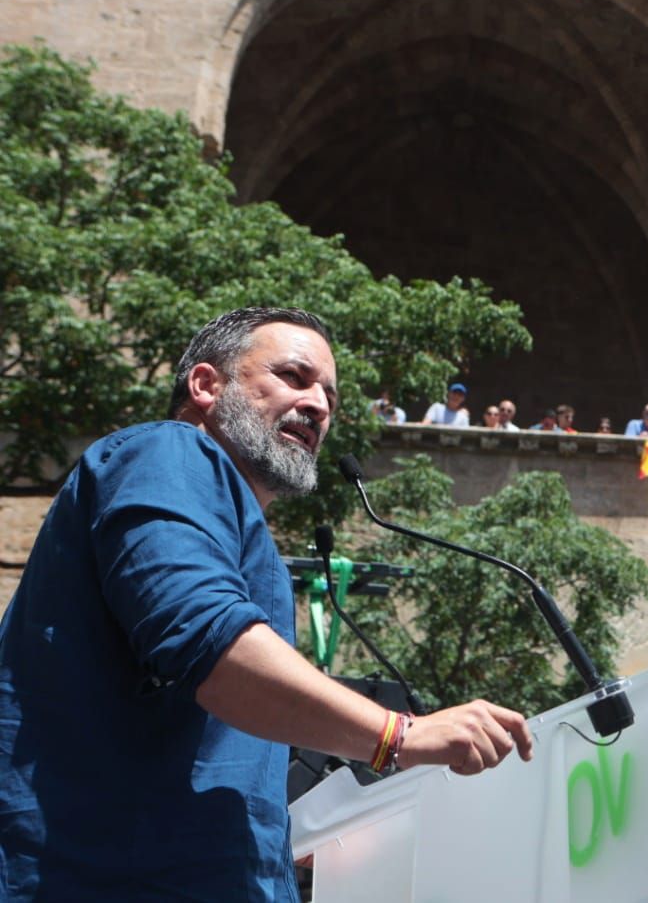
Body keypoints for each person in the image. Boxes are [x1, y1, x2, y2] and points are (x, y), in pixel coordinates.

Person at [0, 307, 533, 900]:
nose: (320, 405)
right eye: (294, 376)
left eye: (330, 394)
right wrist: (399, 736)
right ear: (206, 385)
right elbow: (209, 645)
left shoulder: (247, 538)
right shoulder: (168, 454)